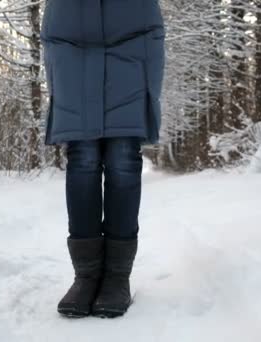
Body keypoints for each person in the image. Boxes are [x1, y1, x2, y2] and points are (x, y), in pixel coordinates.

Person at [40, 0, 166, 318]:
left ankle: (117, 278)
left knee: (123, 158)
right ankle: (86, 276)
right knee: (82, 159)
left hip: (132, 47)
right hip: (70, 49)